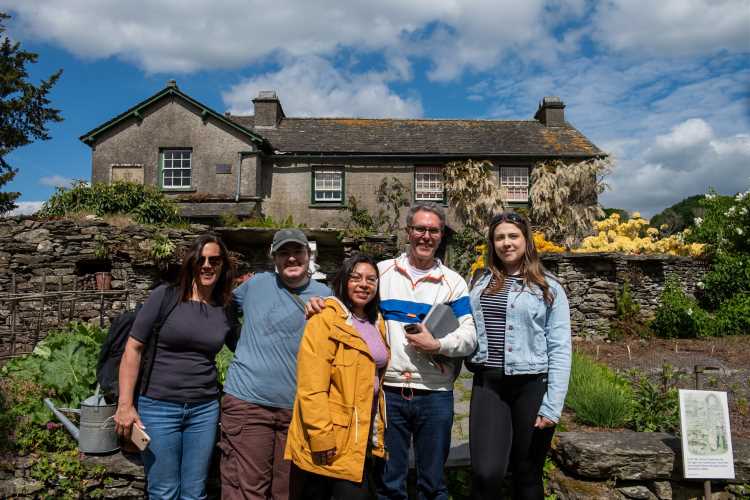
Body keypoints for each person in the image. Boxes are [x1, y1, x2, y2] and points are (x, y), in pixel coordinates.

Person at [307, 202, 477, 500]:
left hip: (435, 393)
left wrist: (438, 344)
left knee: (433, 484)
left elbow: (470, 337)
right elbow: (349, 305)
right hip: (389, 394)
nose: (426, 236)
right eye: (420, 229)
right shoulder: (382, 273)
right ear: (408, 232)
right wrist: (320, 301)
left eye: (433, 230)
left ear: (441, 235)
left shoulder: (453, 283)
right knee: (389, 482)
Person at [114, 234, 239, 500]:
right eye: (201, 260)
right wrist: (125, 405)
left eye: (214, 260)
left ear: (223, 265)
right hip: (158, 407)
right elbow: (133, 349)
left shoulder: (224, 307)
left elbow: (246, 348)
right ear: (191, 263)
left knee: (195, 491)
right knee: (164, 491)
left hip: (204, 410)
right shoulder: (166, 297)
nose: (207, 265)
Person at [220, 228, 332, 500]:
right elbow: (223, 306)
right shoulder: (256, 284)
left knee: (287, 492)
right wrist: (237, 340)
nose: (291, 258)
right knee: (246, 491)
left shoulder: (326, 295)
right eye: (284, 253)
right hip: (249, 403)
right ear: (274, 258)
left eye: (297, 251)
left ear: (308, 255)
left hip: (298, 411)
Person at [466, 212, 571, 500]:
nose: (506, 243)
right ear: (492, 244)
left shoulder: (549, 287)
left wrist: (552, 406)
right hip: (488, 384)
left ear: (526, 240)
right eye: (499, 237)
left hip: (531, 386)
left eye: (513, 236)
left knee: (527, 474)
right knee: (486, 473)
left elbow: (560, 348)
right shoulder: (480, 281)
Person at [286, 254, 389, 500]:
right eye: (356, 278)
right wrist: (321, 437)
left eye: (371, 279)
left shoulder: (377, 322)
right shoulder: (325, 320)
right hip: (331, 437)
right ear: (343, 281)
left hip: (360, 435)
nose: (364, 284)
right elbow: (311, 385)